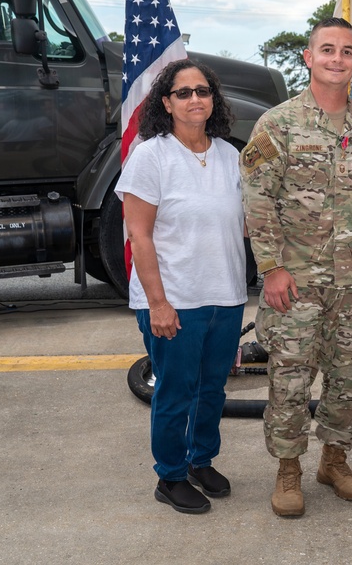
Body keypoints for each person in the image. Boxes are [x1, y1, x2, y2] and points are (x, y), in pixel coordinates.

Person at [240, 17, 352, 517]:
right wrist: (271, 268)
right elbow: (258, 200)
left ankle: (334, 461)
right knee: (291, 378)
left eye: (346, 51)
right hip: (296, 281)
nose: (337, 59)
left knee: (347, 377)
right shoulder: (277, 125)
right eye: (327, 50)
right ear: (308, 57)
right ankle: (288, 470)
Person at [116, 59, 247, 514]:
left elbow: (247, 225)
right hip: (174, 300)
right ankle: (169, 475)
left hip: (226, 296)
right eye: (184, 92)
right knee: (175, 392)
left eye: (203, 91)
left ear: (214, 99)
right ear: (166, 102)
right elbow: (140, 236)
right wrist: (158, 304)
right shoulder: (150, 155)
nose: (195, 99)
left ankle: (200, 460)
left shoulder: (231, 156)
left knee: (212, 390)